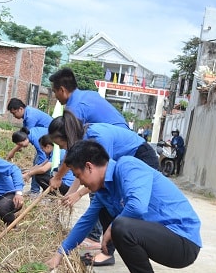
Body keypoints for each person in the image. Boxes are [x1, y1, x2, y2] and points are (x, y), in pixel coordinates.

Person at [46, 140, 202, 273]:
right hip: (161, 238)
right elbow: (85, 223)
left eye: (78, 176)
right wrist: (59, 254)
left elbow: (137, 206)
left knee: (121, 225)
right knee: (107, 214)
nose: (82, 183)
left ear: (89, 167)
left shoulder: (128, 166)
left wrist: (111, 229)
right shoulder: (103, 192)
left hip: (183, 243)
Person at [48, 110, 160, 264]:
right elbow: (81, 172)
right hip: (124, 165)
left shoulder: (98, 137)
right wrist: (71, 193)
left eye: (62, 145)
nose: (63, 150)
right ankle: (109, 249)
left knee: (131, 206)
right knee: (103, 202)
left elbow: (102, 174)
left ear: (68, 136)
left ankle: (119, 251)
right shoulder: (83, 141)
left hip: (141, 157)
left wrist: (79, 194)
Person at [48, 68, 129, 129]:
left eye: (55, 91)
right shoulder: (90, 94)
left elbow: (72, 140)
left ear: (62, 90)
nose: (55, 96)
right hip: (127, 135)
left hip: (116, 143)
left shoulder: (74, 108)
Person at [6, 127, 49, 195]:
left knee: (38, 169)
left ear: (25, 139)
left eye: (20, 144)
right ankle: (34, 190)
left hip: (53, 146)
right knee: (36, 164)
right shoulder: (28, 134)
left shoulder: (36, 140)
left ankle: (35, 192)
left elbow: (43, 158)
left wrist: (31, 172)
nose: (21, 147)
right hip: (47, 147)